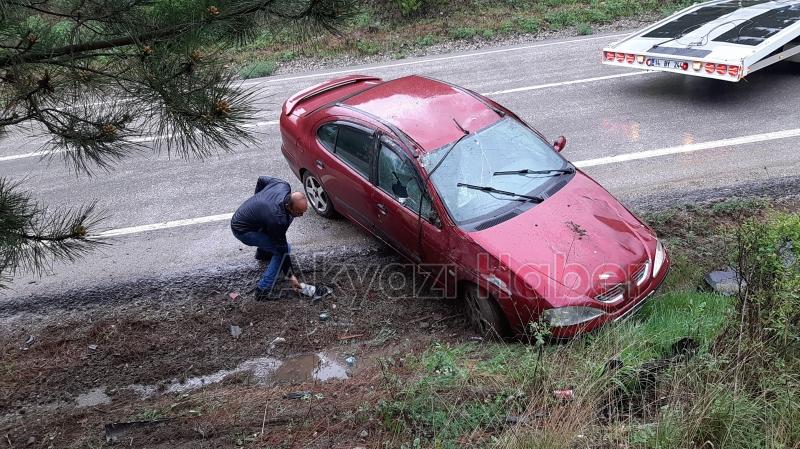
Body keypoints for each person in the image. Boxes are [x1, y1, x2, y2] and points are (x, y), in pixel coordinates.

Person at [231, 176, 308, 300]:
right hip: (243, 231)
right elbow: (282, 248)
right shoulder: (277, 219)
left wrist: (258, 197)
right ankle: (263, 290)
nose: (302, 215)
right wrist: (291, 276)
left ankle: (263, 254)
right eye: (299, 212)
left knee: (277, 231)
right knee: (283, 250)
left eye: (304, 212)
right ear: (288, 205)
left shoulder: (283, 185)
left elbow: (261, 180)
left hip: (250, 219)